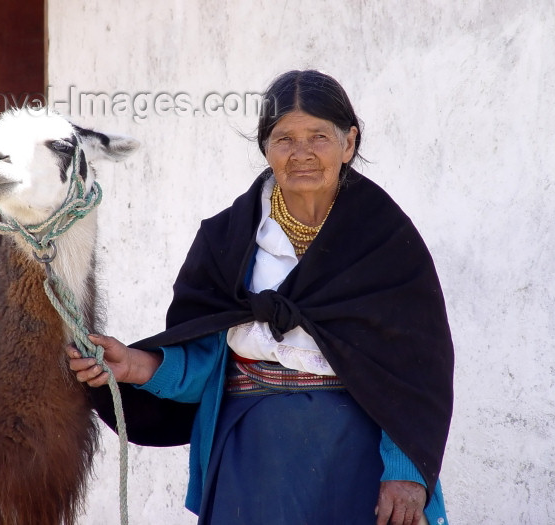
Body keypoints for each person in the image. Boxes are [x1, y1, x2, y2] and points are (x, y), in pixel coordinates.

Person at [67, 69, 454, 525]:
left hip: (355, 454)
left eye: (319, 137)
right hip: (250, 454)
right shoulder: (225, 240)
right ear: (265, 147)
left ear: (349, 143)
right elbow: (206, 362)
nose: (302, 153)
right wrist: (138, 364)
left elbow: (413, 370)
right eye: (284, 138)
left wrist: (407, 474)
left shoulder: (385, 242)